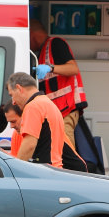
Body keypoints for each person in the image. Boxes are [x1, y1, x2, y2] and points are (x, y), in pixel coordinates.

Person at [29, 19, 88, 147]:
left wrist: (51, 68)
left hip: (66, 110)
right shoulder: (41, 54)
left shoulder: (56, 43)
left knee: (66, 151)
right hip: (57, 113)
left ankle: (71, 169)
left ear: (31, 33)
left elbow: (73, 68)